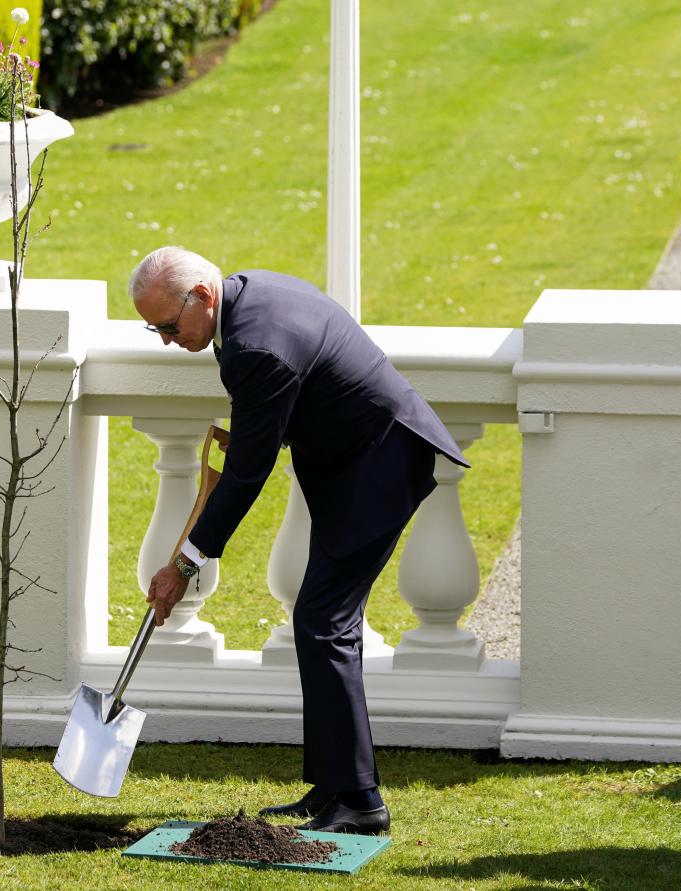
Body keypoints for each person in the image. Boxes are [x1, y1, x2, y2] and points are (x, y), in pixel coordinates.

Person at [132, 246, 467, 835]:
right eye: (152, 328)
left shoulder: (254, 347)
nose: (163, 339)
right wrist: (260, 433)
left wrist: (184, 565)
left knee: (323, 625)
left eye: (167, 325)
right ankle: (335, 787)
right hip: (361, 462)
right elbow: (285, 402)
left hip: (379, 468)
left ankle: (361, 803)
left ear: (203, 298)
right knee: (323, 625)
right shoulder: (249, 297)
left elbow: (246, 478)